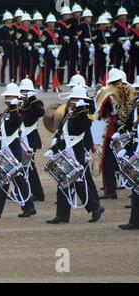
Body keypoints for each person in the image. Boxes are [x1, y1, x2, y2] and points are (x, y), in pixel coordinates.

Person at [44, 86, 105, 224]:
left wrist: (85, 105)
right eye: (72, 98)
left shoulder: (85, 114)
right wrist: (54, 147)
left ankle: (95, 208)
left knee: (80, 184)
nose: (72, 101)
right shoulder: (71, 112)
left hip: (77, 152)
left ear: (82, 100)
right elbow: (62, 128)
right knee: (63, 183)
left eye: (76, 99)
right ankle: (62, 215)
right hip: (66, 150)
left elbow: (84, 125)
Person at [0, 83, 37, 218]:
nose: (6, 98)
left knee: (15, 180)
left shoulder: (18, 111)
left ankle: (27, 207)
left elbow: (15, 122)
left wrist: (15, 106)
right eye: (6, 96)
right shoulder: (8, 110)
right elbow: (1, 127)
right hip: (4, 148)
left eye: (9, 96)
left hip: (13, 151)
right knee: (5, 179)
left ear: (16, 98)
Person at [95, 68, 136, 200]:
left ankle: (110, 190)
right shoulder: (131, 91)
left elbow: (100, 114)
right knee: (125, 159)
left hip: (112, 130)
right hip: (129, 130)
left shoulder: (109, 93)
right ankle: (130, 185)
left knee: (107, 160)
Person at [19, 77, 45, 202]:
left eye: (25, 91)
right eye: (22, 91)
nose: (23, 93)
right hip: (23, 138)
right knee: (28, 166)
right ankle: (34, 192)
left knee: (29, 166)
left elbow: (40, 113)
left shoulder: (36, 103)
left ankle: (37, 193)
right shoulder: (21, 104)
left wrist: (32, 98)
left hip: (31, 138)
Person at [42, 13, 60, 92]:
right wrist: (50, 47)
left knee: (56, 71)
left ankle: (56, 86)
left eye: (53, 22)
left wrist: (58, 48)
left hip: (56, 53)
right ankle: (45, 86)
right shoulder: (45, 32)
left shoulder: (56, 31)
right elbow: (43, 43)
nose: (52, 24)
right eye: (50, 23)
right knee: (47, 71)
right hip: (48, 54)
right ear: (47, 23)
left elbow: (59, 41)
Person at [93, 16, 112, 85]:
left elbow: (112, 40)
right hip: (99, 53)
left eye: (105, 24)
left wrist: (109, 46)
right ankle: (97, 81)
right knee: (98, 68)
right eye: (103, 24)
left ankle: (104, 81)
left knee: (106, 67)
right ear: (99, 24)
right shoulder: (95, 32)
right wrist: (102, 46)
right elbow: (94, 42)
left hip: (107, 52)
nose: (104, 26)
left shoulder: (108, 32)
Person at [78, 8, 95, 87]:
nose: (89, 19)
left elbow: (94, 37)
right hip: (84, 48)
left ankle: (90, 82)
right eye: (87, 17)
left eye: (90, 17)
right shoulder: (81, 26)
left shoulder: (92, 26)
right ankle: (82, 81)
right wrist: (85, 43)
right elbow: (80, 37)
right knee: (83, 66)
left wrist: (93, 44)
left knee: (91, 65)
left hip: (91, 48)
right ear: (84, 19)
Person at [57, 6, 72, 85]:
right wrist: (63, 38)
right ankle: (60, 79)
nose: (68, 16)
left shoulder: (70, 23)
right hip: (62, 46)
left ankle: (70, 79)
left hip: (69, 46)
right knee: (62, 63)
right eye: (66, 14)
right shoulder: (59, 24)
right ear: (63, 15)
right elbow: (59, 34)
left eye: (69, 14)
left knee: (70, 63)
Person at [0, 11, 15, 85]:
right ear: (6, 20)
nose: (11, 20)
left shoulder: (12, 28)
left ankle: (12, 80)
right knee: (4, 65)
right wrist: (0, 49)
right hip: (5, 47)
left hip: (11, 47)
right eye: (9, 19)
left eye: (11, 19)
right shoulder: (2, 28)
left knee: (12, 65)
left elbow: (14, 38)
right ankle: (2, 81)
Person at [18, 12, 34, 80]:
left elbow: (31, 40)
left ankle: (29, 82)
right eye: (26, 21)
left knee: (29, 67)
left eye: (28, 21)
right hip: (22, 52)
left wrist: (31, 45)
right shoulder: (19, 30)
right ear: (22, 22)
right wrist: (25, 44)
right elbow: (18, 40)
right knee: (22, 67)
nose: (27, 22)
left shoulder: (30, 31)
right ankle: (22, 81)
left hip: (29, 52)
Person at [128, 16, 139, 83]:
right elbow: (130, 41)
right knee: (132, 68)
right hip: (133, 53)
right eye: (138, 24)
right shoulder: (132, 33)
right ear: (135, 25)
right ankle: (131, 81)